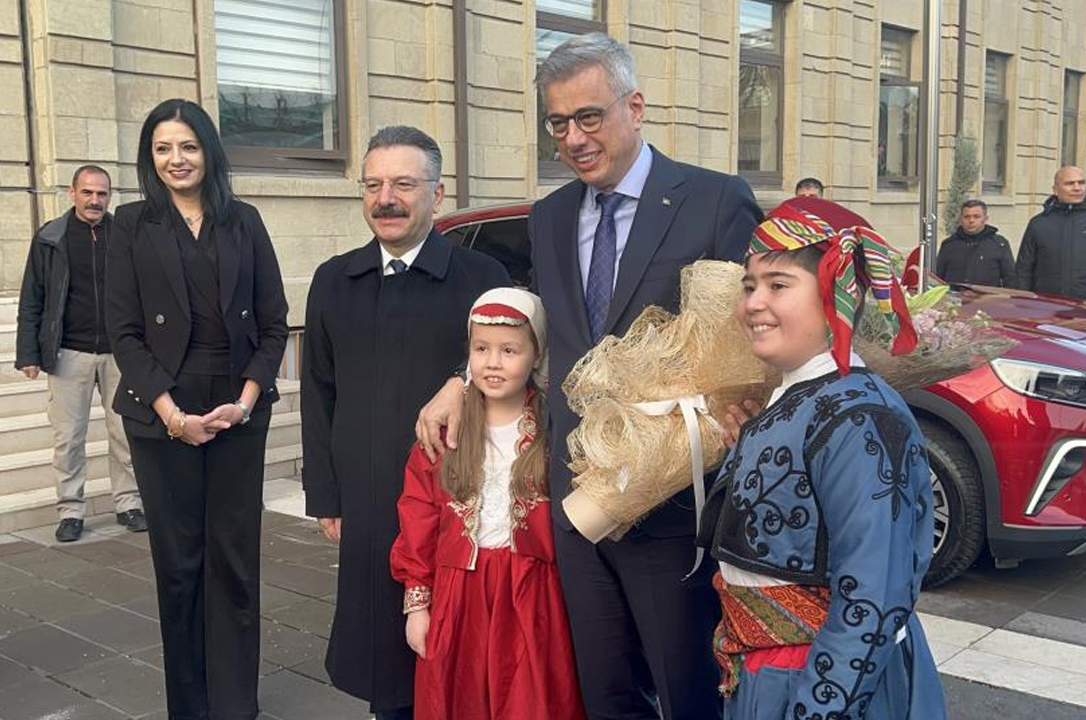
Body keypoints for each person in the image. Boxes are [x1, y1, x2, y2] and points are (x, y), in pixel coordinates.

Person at [417, 33, 763, 720]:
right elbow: (535, 327)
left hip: (671, 506)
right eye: (557, 123)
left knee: (687, 690)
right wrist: (462, 376)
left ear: (634, 107)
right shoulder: (549, 217)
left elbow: (754, 329)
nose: (573, 137)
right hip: (575, 501)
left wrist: (750, 406)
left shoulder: (714, 201)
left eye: (589, 117)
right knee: (602, 694)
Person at [698, 197, 945, 720]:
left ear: (835, 294)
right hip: (765, 672)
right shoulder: (801, 399)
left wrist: (816, 709)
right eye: (749, 285)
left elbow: (873, 599)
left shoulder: (862, 418)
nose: (753, 303)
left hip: (818, 683)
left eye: (778, 285)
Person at [301, 126, 509, 720]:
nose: (385, 198)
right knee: (384, 660)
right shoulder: (333, 280)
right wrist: (326, 494)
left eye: (403, 184)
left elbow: (520, 368)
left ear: (437, 194)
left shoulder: (481, 277)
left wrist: (461, 379)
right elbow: (318, 392)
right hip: (367, 497)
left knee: (454, 644)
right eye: (373, 185)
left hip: (459, 496)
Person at [105, 99, 289, 720]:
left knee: (235, 562)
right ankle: (189, 706)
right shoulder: (130, 225)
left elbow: (273, 324)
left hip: (237, 406)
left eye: (187, 146)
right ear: (148, 158)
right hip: (162, 412)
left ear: (208, 150)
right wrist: (172, 414)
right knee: (179, 566)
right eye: (162, 148)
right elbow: (123, 332)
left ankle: (237, 703)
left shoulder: (245, 221)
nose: (175, 160)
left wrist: (243, 402)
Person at [390, 288, 585, 720]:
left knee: (532, 702)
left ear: (537, 355)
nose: (492, 362)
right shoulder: (443, 433)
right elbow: (418, 517)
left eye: (509, 350)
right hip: (459, 597)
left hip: (534, 597)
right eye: (481, 349)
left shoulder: (556, 429)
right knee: (460, 699)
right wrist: (418, 605)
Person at [15, 164, 146, 542]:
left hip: (121, 352)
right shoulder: (50, 238)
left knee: (124, 432)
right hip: (68, 351)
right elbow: (32, 297)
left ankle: (129, 503)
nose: (95, 200)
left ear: (109, 196)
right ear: (72, 193)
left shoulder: (125, 234)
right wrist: (29, 352)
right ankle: (70, 510)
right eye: (87, 192)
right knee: (68, 437)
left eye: (102, 193)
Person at [1014, 166, 1086, 307]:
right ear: (1055, 189)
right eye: (1069, 183)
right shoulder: (1039, 224)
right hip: (1047, 309)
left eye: (1081, 182)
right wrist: (1022, 307)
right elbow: (1023, 270)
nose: (1077, 188)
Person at [936, 199, 1015, 286]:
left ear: (985, 219)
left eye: (976, 216)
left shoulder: (999, 244)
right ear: (961, 219)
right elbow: (938, 279)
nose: (971, 221)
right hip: (956, 298)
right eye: (967, 217)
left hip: (988, 298)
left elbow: (1010, 278)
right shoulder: (949, 245)